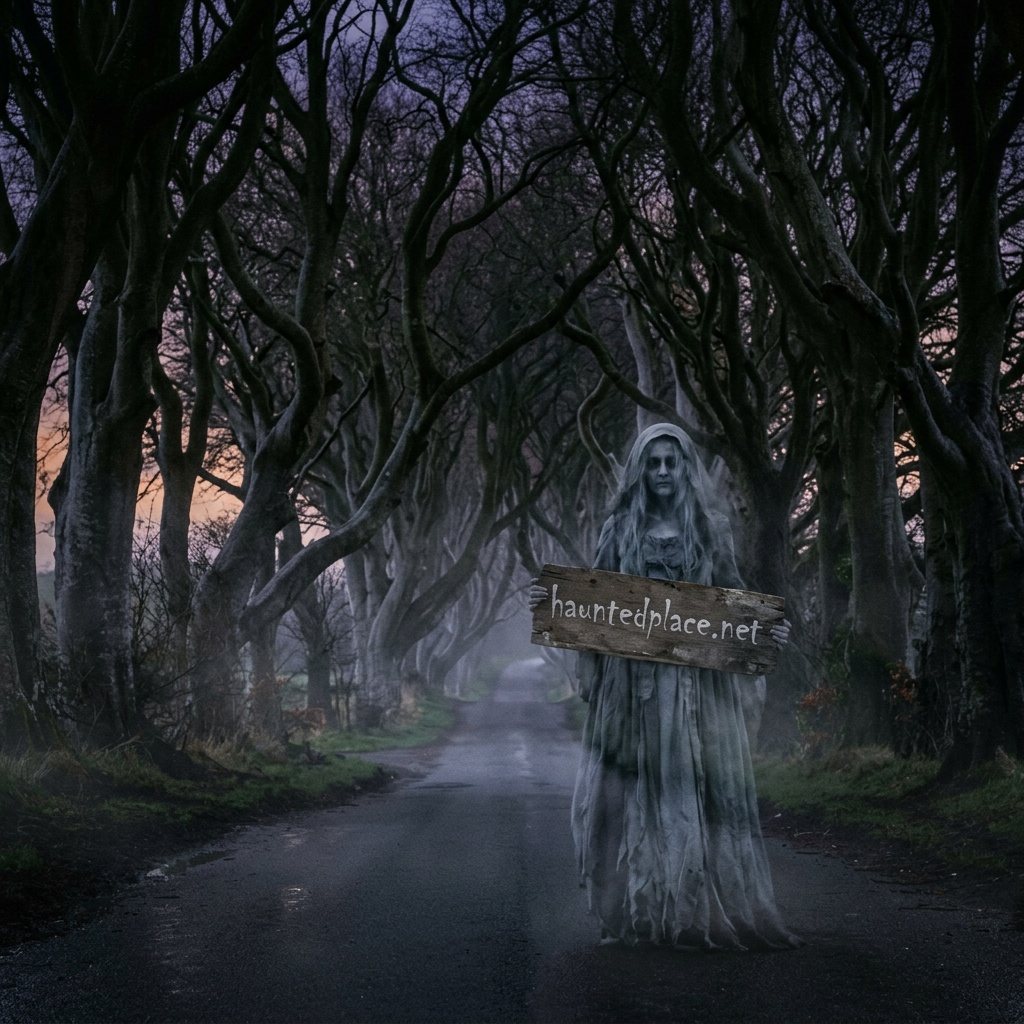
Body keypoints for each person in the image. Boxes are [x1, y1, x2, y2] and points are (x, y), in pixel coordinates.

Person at [530, 423, 801, 951]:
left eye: (669, 463)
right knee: (628, 793)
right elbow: (593, 603)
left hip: (697, 692)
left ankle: (690, 907)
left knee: (690, 790)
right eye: (651, 463)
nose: (660, 472)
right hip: (631, 689)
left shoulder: (711, 529)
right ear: (639, 469)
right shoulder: (618, 531)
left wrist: (766, 630)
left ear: (684, 468)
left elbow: (734, 597)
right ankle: (636, 911)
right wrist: (551, 607)